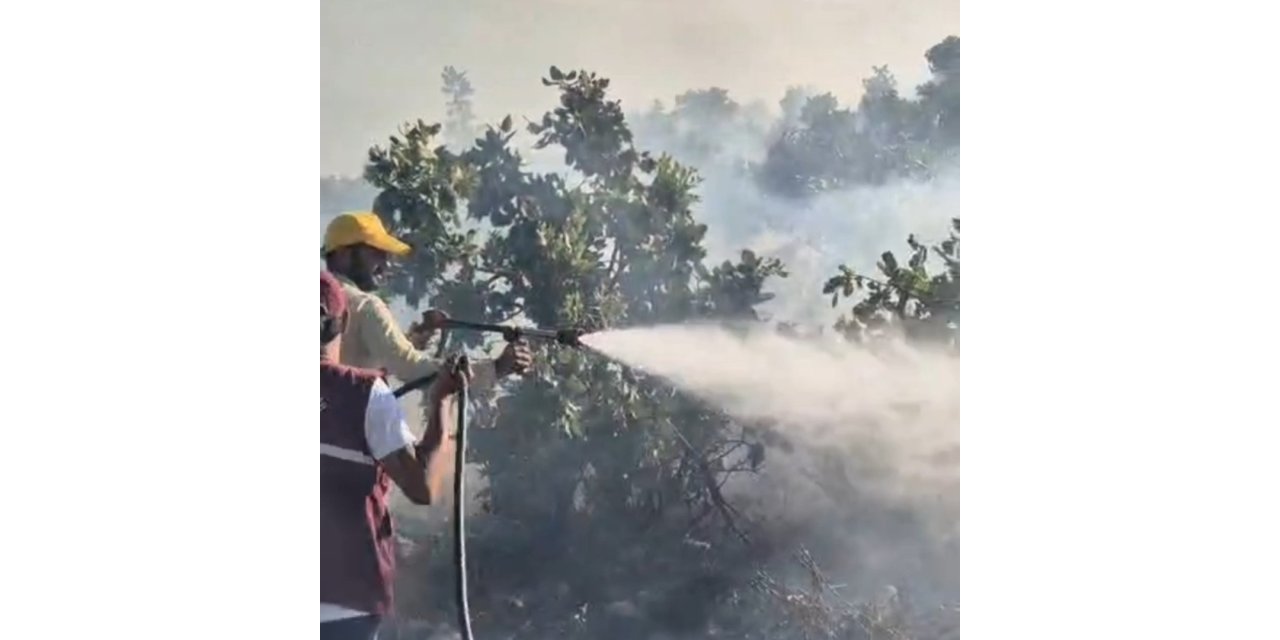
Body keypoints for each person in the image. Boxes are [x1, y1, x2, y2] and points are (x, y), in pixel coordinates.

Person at [321, 270, 469, 639]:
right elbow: (422, 487)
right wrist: (441, 403)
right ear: (344, 321)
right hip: (345, 602)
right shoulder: (364, 393)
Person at [321, 211, 532, 389]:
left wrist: (413, 338)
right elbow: (410, 367)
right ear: (343, 254)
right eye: (376, 253)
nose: (385, 263)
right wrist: (495, 368)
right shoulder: (365, 306)